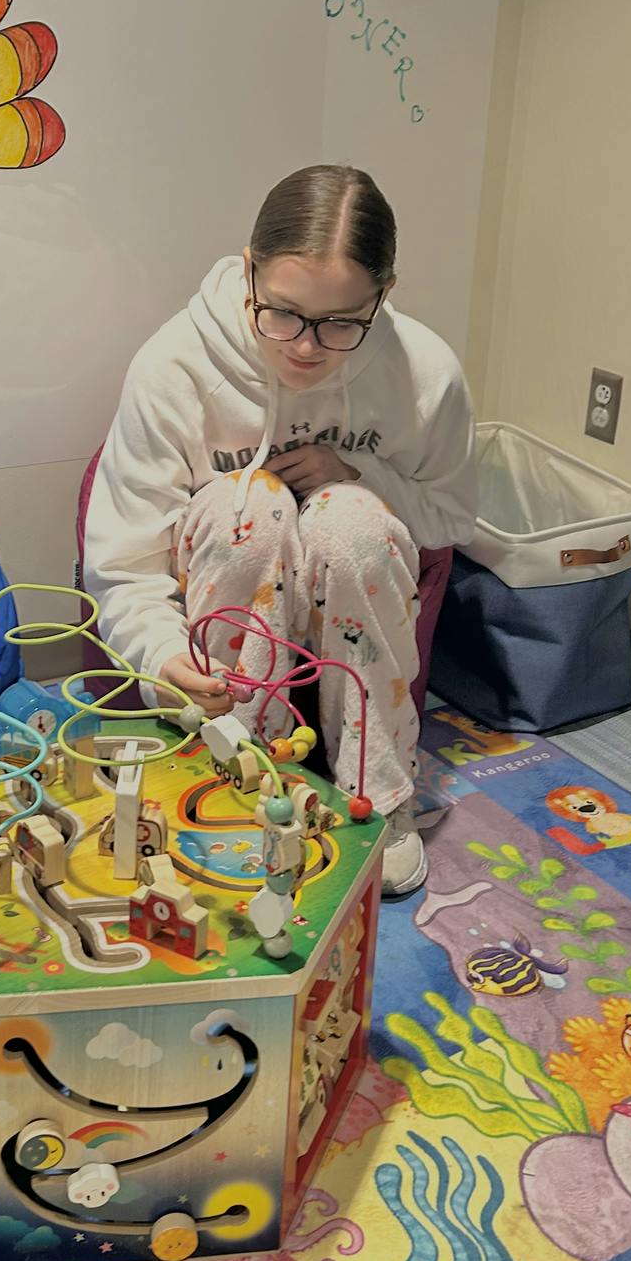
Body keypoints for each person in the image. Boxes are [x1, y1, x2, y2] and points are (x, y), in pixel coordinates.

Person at [83, 164, 478, 894]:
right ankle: (243, 772)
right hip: (227, 599)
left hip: (355, 588)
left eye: (340, 323)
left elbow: (451, 515)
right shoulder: (172, 365)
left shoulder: (425, 371)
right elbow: (121, 561)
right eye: (283, 314)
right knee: (248, 507)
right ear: (249, 273)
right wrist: (164, 656)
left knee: (350, 518)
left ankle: (378, 791)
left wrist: (357, 477)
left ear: (383, 295)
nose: (305, 347)